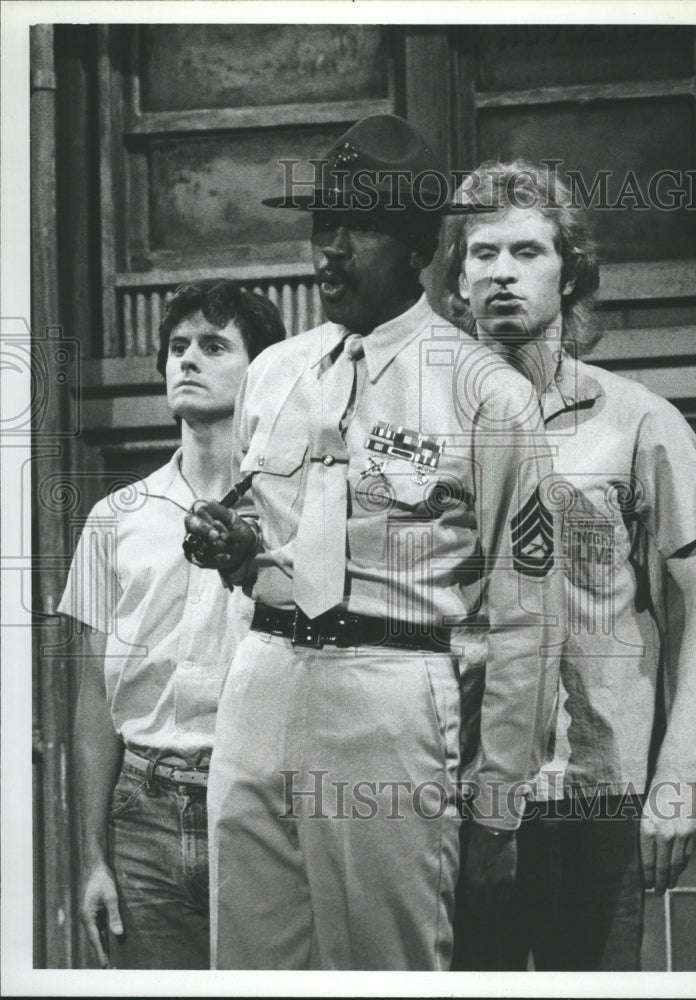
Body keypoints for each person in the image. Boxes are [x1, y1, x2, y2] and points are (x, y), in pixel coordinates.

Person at [183, 115, 564, 971]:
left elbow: (525, 617)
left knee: (382, 967)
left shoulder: (486, 396)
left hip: (388, 695)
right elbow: (274, 529)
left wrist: (498, 798)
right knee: (247, 961)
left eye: (358, 228)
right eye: (323, 226)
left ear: (419, 246)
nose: (331, 251)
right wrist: (235, 548)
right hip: (262, 682)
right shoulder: (277, 372)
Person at [445, 159, 696, 971]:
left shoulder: (637, 420)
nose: (501, 272)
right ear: (455, 275)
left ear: (568, 270)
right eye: (481, 253)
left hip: (594, 789)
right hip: (452, 789)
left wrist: (677, 777)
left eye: (526, 251)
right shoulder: (425, 424)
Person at [58, 279, 285, 969]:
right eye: (177, 346)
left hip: (263, 804)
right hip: (144, 814)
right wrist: (92, 856)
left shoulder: (295, 509)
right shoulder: (116, 516)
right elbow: (96, 696)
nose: (186, 359)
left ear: (262, 371)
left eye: (214, 346)